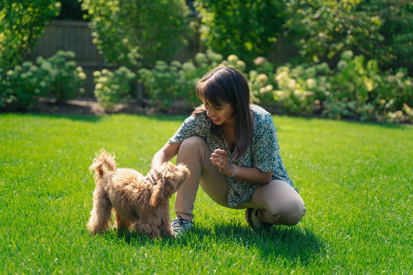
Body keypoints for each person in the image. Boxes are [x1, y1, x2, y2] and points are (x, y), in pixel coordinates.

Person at [147, 65, 306, 237]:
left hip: (263, 187)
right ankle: (183, 220)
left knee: (293, 210)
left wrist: (231, 169)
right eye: (206, 104)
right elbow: (164, 152)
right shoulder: (202, 119)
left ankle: (258, 216)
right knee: (190, 144)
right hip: (225, 187)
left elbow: (265, 174)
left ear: (236, 102)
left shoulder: (261, 121)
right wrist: (156, 170)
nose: (209, 112)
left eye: (217, 107)